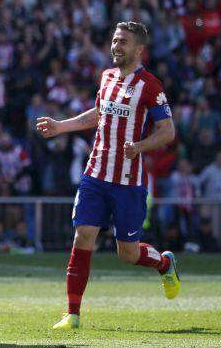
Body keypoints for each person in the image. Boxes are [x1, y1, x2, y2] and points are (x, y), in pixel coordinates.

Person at [36, 22, 181, 330]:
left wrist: (139, 146)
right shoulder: (107, 76)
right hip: (96, 174)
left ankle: (165, 263)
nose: (116, 46)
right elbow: (97, 114)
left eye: (123, 42)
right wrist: (61, 126)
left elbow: (167, 131)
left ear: (139, 49)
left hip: (128, 181)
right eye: (115, 40)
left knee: (127, 253)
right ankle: (72, 314)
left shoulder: (150, 86)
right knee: (83, 236)